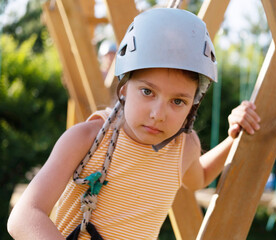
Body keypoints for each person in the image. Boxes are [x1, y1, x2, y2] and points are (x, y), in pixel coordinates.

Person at [7, 8, 261, 240]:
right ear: (125, 87)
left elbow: (200, 177)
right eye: (148, 92)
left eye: (178, 101)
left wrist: (233, 138)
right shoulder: (87, 139)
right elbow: (24, 216)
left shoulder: (183, 147)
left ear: (193, 105)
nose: (158, 114)